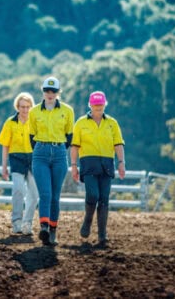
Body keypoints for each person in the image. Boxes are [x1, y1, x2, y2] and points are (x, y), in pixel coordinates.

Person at [70, 91, 125, 247]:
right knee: (93, 194)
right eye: (95, 104)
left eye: (101, 104)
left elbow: (118, 144)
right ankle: (87, 221)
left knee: (104, 199)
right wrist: (74, 165)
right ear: (90, 105)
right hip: (88, 164)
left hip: (107, 164)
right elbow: (74, 147)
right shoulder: (81, 123)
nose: (98, 107)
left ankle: (102, 234)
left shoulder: (112, 123)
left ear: (104, 104)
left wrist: (121, 162)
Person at [28, 76, 74, 246]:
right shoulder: (34, 111)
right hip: (40, 153)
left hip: (60, 153)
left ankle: (53, 231)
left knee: (55, 196)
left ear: (58, 92)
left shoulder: (68, 111)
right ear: (43, 92)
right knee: (45, 193)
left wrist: (58, 149)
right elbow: (31, 135)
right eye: (47, 90)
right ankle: (44, 227)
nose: (50, 94)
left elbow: (70, 135)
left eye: (53, 91)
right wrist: (43, 148)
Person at [0, 92, 39, 235]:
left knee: (34, 194)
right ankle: (17, 222)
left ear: (31, 107)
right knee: (18, 190)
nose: (25, 110)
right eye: (22, 107)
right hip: (16, 159)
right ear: (17, 107)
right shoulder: (10, 122)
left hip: (33, 159)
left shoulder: (35, 122)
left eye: (28, 107)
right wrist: (4, 167)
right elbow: (5, 145)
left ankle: (27, 223)